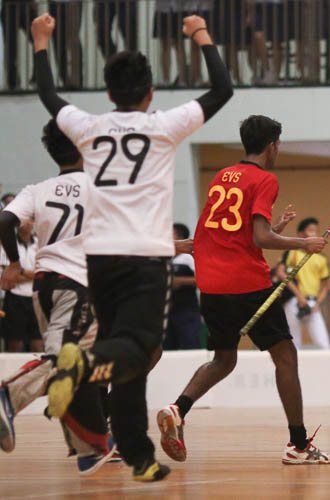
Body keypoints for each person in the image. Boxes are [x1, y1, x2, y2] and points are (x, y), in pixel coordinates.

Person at [31, 12, 233, 481]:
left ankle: (138, 454)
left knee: (125, 352)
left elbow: (47, 96)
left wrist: (41, 43)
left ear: (107, 94)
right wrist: (201, 34)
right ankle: (79, 366)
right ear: (150, 94)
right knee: (136, 349)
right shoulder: (165, 125)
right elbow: (221, 90)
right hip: (145, 255)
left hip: (99, 258)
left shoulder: (87, 126)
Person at [156, 115, 330, 466]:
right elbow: (260, 237)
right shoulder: (265, 179)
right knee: (285, 355)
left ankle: (178, 408)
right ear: (272, 146)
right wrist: (304, 242)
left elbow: (226, 231)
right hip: (246, 282)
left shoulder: (223, 176)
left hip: (211, 283)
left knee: (224, 358)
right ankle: (298, 445)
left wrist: (274, 228)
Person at [0, 119, 114, 475]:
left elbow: (5, 222)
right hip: (80, 284)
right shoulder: (102, 187)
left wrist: (14, 264)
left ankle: (88, 447)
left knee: (76, 362)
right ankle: (8, 395)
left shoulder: (38, 188)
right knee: (64, 359)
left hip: (44, 285)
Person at [283, 217, 330, 349]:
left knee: (323, 343)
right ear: (300, 235)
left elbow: (325, 286)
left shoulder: (321, 258)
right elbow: (282, 274)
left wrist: (317, 304)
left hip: (312, 302)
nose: (314, 234)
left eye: (316, 231)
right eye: (310, 231)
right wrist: (299, 295)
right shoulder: (292, 253)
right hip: (294, 300)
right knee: (294, 342)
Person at [0, 220, 41, 352]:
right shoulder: (8, 243)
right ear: (17, 223)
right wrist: (32, 274)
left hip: (36, 296)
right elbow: (6, 274)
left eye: (31, 220)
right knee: (14, 341)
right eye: (24, 221)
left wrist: (19, 271)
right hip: (15, 297)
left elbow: (44, 272)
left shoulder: (40, 243)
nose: (27, 224)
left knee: (39, 340)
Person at [164, 223, 201, 350]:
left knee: (190, 344)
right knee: (168, 348)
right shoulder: (166, 259)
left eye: (170, 233)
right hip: (169, 310)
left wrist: (180, 281)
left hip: (187, 310)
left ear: (179, 237)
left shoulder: (188, 258)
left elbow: (202, 279)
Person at [1, 0, 38, 90]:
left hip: (22, 5)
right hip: (11, 6)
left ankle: (36, 77)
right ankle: (13, 82)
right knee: (11, 46)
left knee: (39, 39)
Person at [48, 0, 82, 88]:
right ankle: (65, 79)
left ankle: (75, 80)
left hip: (71, 3)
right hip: (55, 3)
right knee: (58, 40)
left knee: (71, 38)